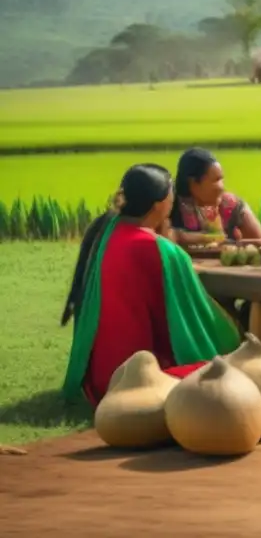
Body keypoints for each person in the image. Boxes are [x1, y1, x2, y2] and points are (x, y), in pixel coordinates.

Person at [61, 164, 241, 406]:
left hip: (99, 379)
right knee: (230, 366)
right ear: (159, 203)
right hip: (136, 381)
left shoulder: (108, 232)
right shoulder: (158, 249)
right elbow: (197, 316)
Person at [169, 147, 261, 248]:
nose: (222, 187)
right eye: (216, 180)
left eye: (222, 179)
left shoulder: (230, 205)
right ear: (193, 184)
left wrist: (232, 244)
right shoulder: (169, 205)